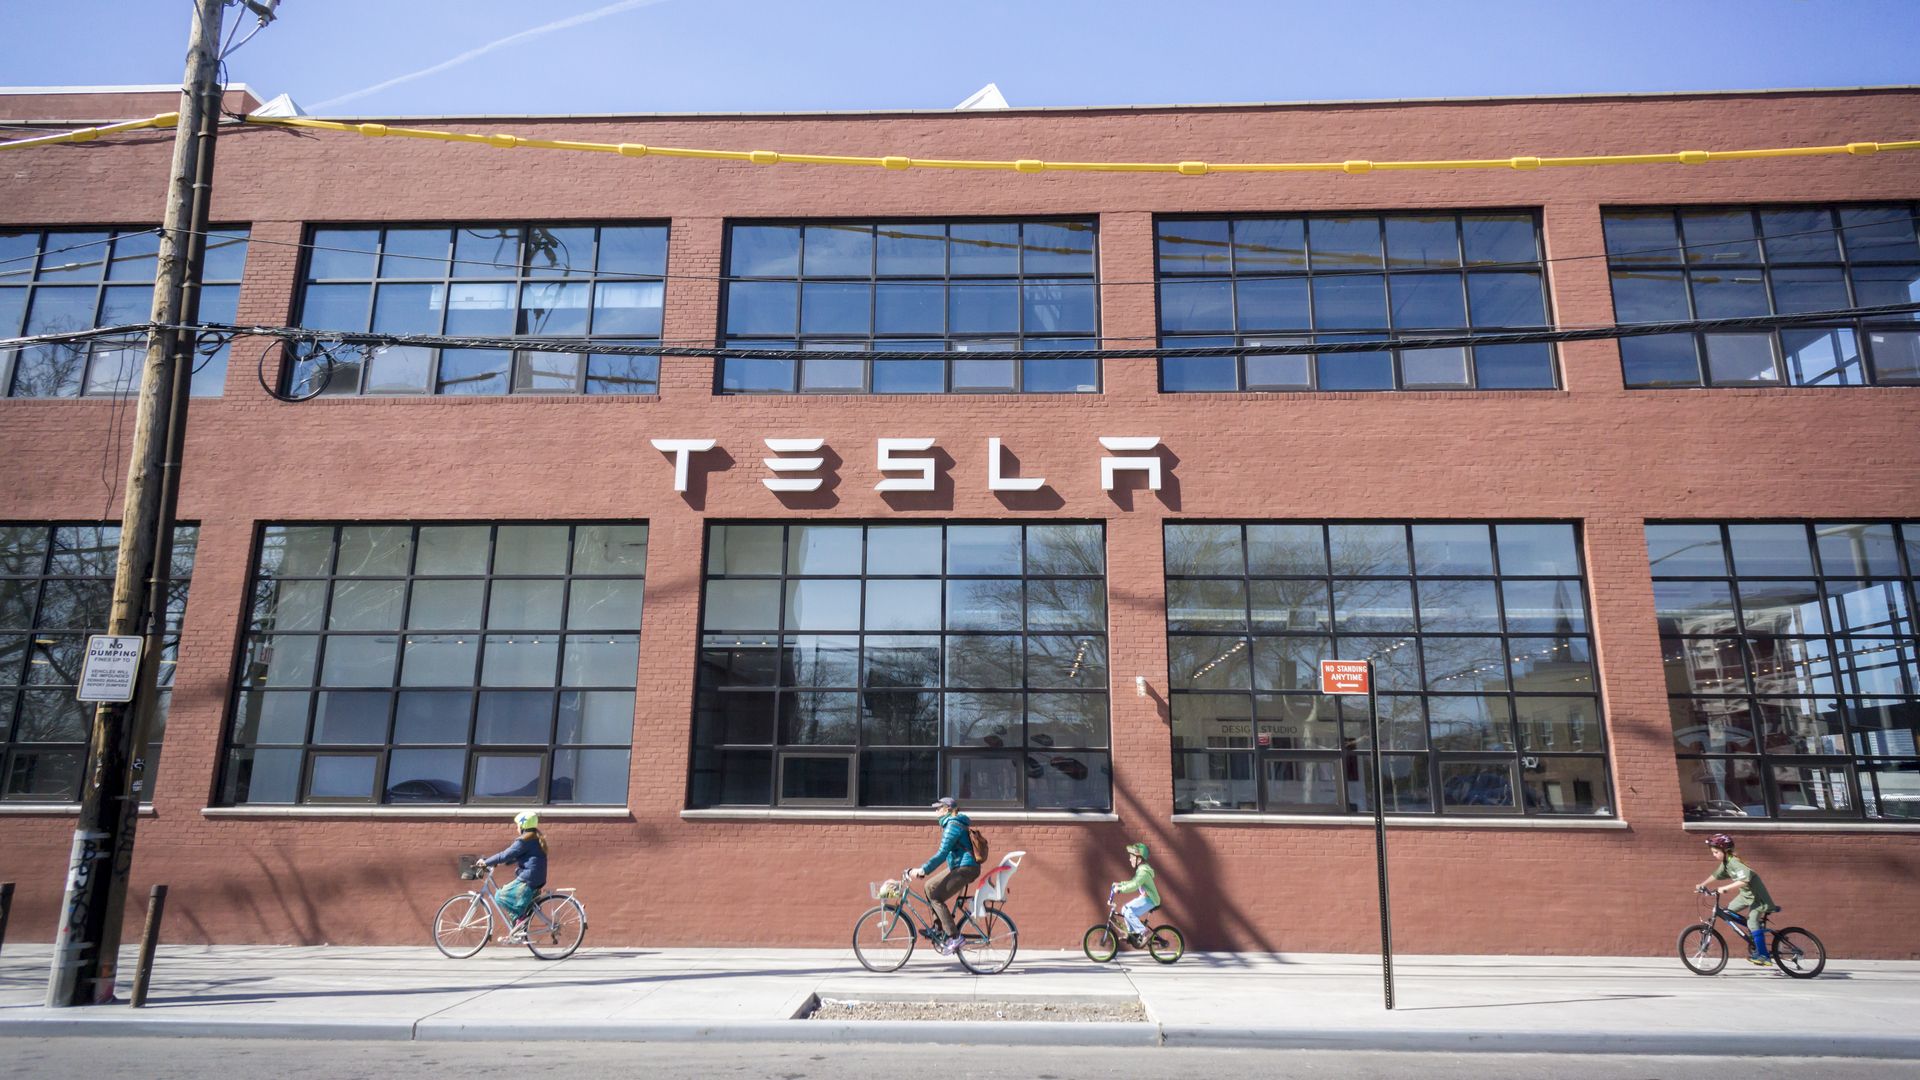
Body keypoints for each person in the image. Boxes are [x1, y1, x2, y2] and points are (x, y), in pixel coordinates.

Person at [907, 796, 978, 955]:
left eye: (938, 808)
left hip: (966, 868)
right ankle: (938, 928)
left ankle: (955, 936)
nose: (936, 811)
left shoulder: (953, 825)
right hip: (958, 866)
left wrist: (923, 870)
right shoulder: (951, 823)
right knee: (929, 886)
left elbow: (942, 853)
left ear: (947, 809)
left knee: (936, 897)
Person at [1696, 833, 1776, 965]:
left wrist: (1725, 888)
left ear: (1725, 850)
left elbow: (1745, 880)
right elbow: (1716, 875)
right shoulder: (1726, 863)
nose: (1714, 855)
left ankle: (1763, 955)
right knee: (1728, 912)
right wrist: (1702, 884)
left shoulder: (1735, 862)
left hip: (1758, 897)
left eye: (1716, 852)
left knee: (1752, 923)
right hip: (1745, 896)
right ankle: (1756, 930)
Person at [483, 810, 548, 939]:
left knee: (500, 895)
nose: (516, 827)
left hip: (529, 877)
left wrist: (486, 862)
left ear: (523, 825)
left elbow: (506, 854)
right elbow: (519, 855)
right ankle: (519, 926)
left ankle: (520, 919)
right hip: (537, 877)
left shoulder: (524, 840)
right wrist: (504, 861)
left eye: (517, 824)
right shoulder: (534, 838)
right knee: (522, 905)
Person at [1112, 841, 1162, 947]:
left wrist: (1121, 890)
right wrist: (1120, 884)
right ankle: (1131, 934)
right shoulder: (1140, 870)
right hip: (1145, 898)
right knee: (1124, 909)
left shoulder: (1143, 872)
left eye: (1132, 857)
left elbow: (1134, 885)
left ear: (1139, 859)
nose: (1130, 859)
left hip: (1151, 900)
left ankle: (1145, 932)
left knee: (1129, 913)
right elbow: (1132, 882)